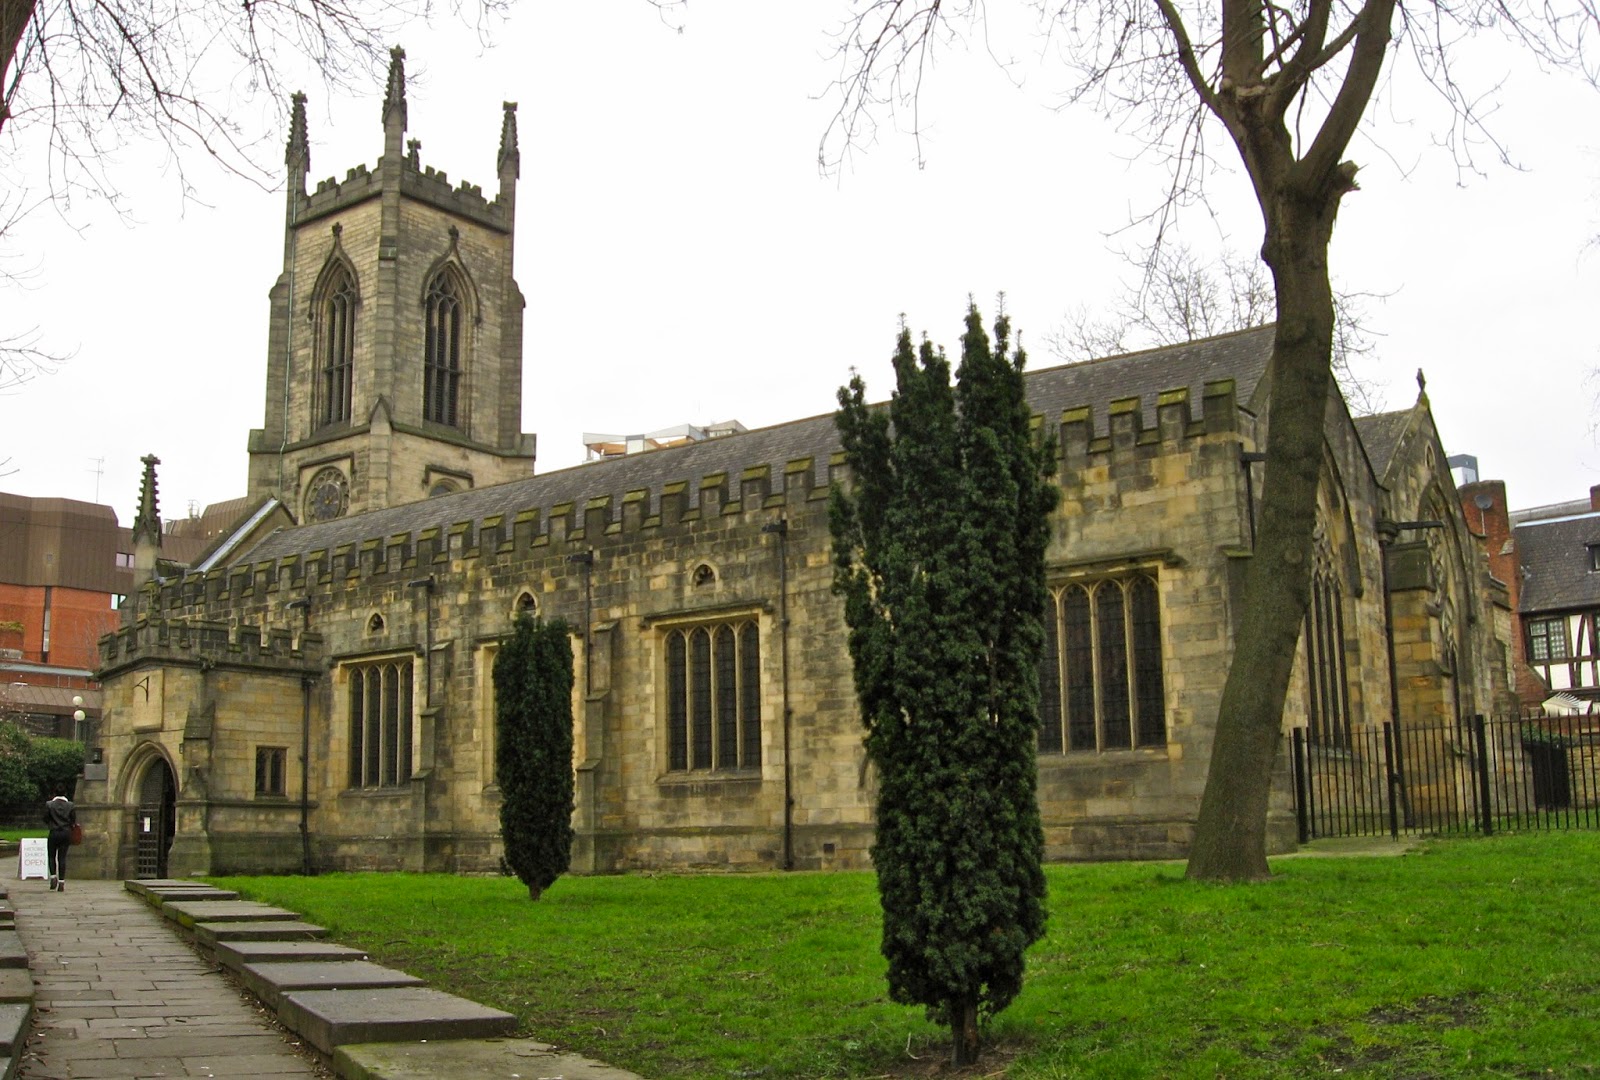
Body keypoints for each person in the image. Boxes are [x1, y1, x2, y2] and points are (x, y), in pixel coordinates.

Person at [43, 788, 76, 892]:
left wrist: (51, 824)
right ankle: (61, 882)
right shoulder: (70, 805)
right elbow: (73, 820)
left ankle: (53, 876)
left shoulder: (49, 804)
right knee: (62, 857)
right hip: (66, 833)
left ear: (54, 793)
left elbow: (45, 818)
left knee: (51, 855)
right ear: (65, 793)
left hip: (54, 832)